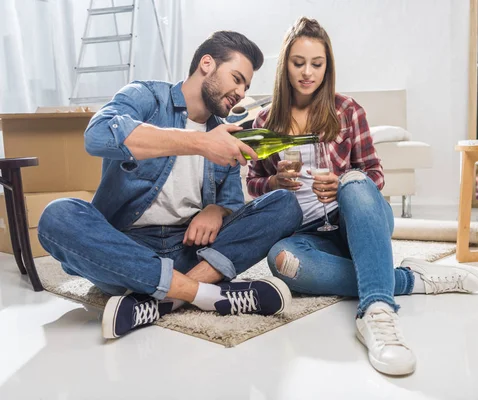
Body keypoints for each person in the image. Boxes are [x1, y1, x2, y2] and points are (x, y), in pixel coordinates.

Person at [247, 17, 478, 376]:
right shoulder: (265, 121)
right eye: (299, 63)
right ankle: (410, 279)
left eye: (317, 64)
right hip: (308, 236)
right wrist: (275, 182)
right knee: (282, 261)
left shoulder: (347, 111)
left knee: (356, 182)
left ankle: (377, 310)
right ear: (285, 65)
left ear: (328, 66)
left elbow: (374, 174)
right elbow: (253, 183)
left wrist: (343, 182)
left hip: (357, 220)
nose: (308, 73)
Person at [37, 31, 303, 340]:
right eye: (237, 78)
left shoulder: (225, 135)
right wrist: (200, 143)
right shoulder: (146, 96)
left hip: (190, 251)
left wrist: (215, 211)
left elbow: (232, 205)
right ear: (207, 64)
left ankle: (162, 300)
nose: (241, 93)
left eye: (246, 85)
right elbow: (96, 136)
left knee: (284, 204)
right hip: (126, 251)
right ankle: (204, 295)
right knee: (57, 217)